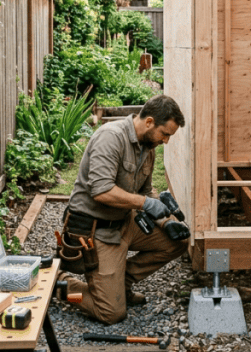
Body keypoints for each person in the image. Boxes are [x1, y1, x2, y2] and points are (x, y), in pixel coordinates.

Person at [58, 94, 188, 324]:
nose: (166, 141)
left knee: (177, 242)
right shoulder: (111, 137)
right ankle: (59, 282)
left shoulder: (148, 145)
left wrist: (167, 222)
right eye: (165, 134)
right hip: (95, 230)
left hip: (123, 223)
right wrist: (145, 204)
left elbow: (147, 192)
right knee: (111, 313)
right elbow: (101, 190)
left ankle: (120, 285)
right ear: (149, 122)